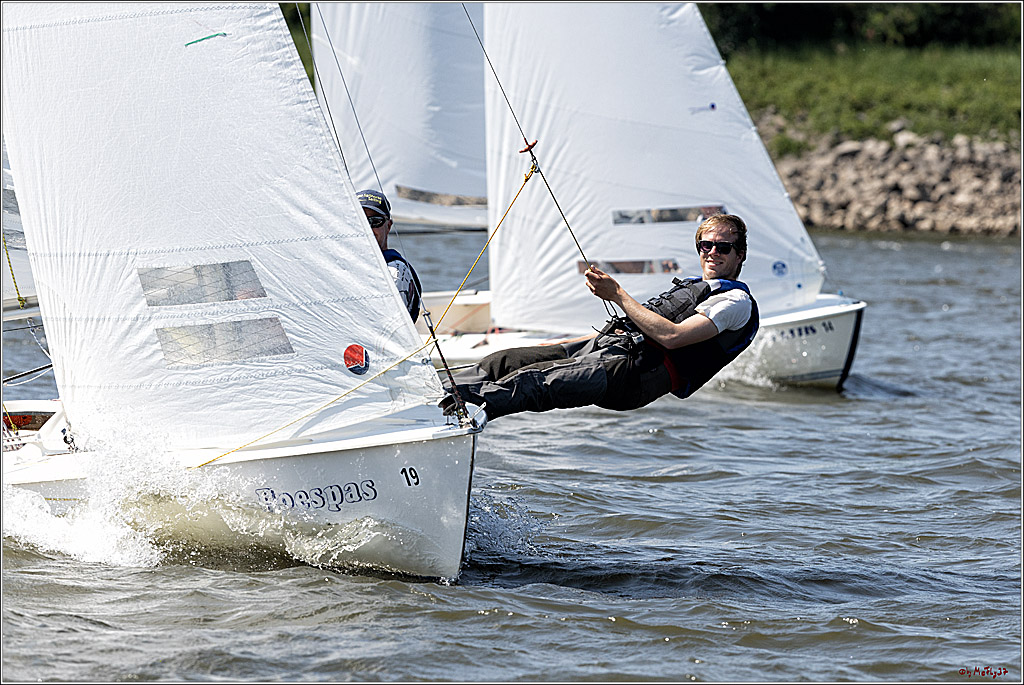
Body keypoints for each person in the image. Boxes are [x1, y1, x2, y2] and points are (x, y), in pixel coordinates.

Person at [442, 213, 759, 420]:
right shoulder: (698, 287)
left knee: (535, 382)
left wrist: (617, 294)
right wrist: (575, 344)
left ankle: (455, 412)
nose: (712, 252)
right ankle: (436, 392)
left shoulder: (734, 301)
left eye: (723, 247)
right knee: (507, 360)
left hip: (633, 376)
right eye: (706, 245)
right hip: (607, 348)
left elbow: (672, 337)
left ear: (740, 254)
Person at [357, 188, 421, 323]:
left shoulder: (395, 271)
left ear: (388, 226)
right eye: (359, 221)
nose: (367, 228)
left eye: (375, 221)